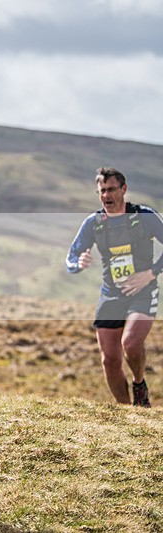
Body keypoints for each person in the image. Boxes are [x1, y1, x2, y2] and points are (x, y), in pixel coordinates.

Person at [67, 167, 163, 406]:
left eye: (111, 189)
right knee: (109, 360)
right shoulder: (93, 223)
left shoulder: (144, 216)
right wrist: (78, 263)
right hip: (111, 295)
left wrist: (151, 273)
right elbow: (72, 255)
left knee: (130, 343)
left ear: (124, 189)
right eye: (101, 191)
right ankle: (127, 412)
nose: (106, 196)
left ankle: (139, 384)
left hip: (142, 292)